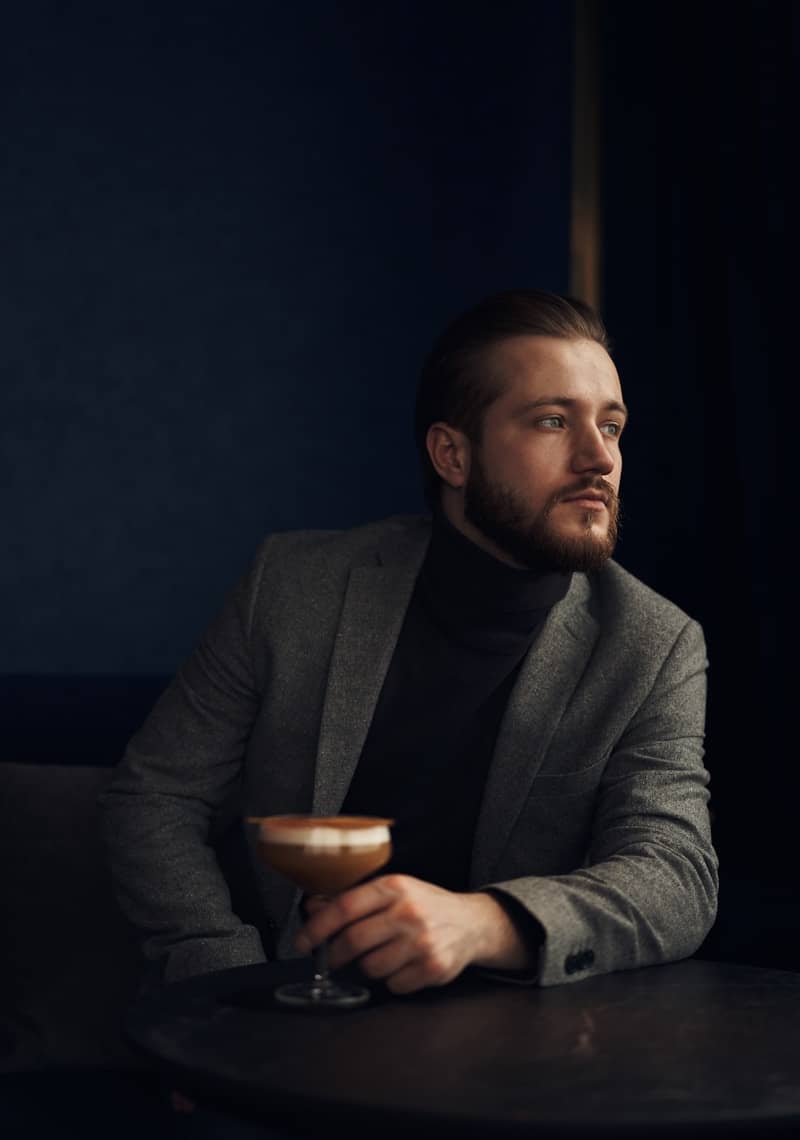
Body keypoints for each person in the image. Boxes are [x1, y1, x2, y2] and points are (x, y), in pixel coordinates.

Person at [99, 288, 717, 997]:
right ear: (452, 455)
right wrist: (223, 981)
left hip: (509, 1046)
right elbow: (155, 797)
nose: (598, 460)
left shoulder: (654, 643)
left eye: (611, 427)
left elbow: (676, 875)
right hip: (279, 1007)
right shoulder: (294, 585)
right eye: (553, 421)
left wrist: (484, 923)